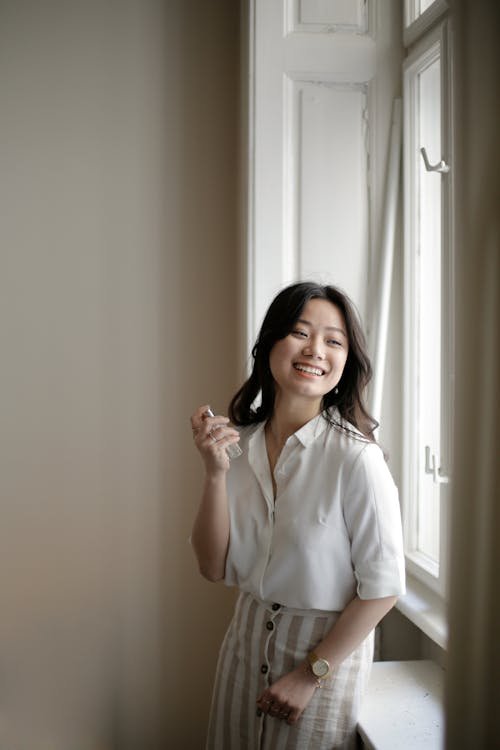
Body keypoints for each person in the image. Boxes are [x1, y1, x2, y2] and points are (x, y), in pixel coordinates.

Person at [190, 281, 405, 749]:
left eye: (334, 340)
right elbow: (211, 567)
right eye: (300, 332)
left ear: (347, 361)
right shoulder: (238, 445)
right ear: (270, 343)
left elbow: (383, 588)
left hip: (322, 659)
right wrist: (213, 474)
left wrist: (310, 675)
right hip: (243, 645)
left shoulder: (357, 459)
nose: (316, 350)